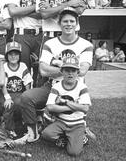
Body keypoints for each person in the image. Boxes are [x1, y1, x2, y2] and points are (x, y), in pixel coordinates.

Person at [14, 8, 93, 144]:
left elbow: (82, 71)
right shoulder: (50, 43)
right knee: (26, 97)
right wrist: (70, 67)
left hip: (75, 89)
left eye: (72, 21)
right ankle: (32, 132)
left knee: (71, 116)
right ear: (59, 23)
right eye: (65, 21)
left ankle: (79, 129)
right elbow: (43, 70)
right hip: (52, 85)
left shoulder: (86, 45)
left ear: (77, 23)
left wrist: (57, 63)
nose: (68, 24)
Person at [42, 56, 91, 156]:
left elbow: (85, 108)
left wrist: (65, 101)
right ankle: (65, 137)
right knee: (46, 134)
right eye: (67, 70)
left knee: (74, 152)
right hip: (62, 121)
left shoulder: (82, 87)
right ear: (62, 71)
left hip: (77, 123)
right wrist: (75, 106)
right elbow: (50, 107)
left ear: (78, 72)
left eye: (73, 70)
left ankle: (82, 135)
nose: (70, 73)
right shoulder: (57, 86)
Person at [7, 0, 43, 84]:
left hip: (40, 34)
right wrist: (35, 6)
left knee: (40, 71)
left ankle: (38, 101)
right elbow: (12, 11)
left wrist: (21, 10)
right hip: (21, 34)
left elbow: (43, 14)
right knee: (22, 70)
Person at [1, 41, 33, 136]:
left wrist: (27, 97)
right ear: (7, 55)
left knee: (24, 104)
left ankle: (26, 127)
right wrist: (7, 98)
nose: (13, 57)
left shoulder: (23, 66)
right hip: (7, 93)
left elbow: (27, 83)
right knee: (9, 105)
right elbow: (3, 85)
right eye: (10, 54)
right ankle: (9, 128)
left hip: (20, 93)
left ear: (19, 55)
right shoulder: (4, 67)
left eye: (16, 54)